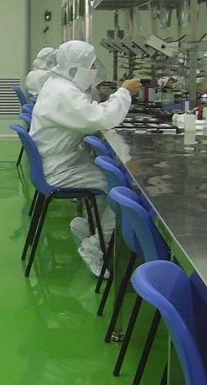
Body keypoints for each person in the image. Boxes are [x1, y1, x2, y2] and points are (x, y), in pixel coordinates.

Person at [28, 41, 141, 276]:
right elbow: (100, 120)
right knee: (120, 189)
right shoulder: (63, 92)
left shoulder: (59, 85)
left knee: (107, 176)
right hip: (59, 170)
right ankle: (96, 246)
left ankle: (90, 225)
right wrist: (124, 92)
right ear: (76, 68)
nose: (94, 69)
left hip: (59, 161)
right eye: (91, 66)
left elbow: (90, 112)